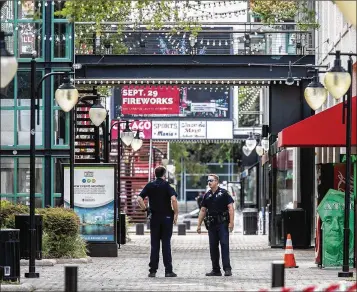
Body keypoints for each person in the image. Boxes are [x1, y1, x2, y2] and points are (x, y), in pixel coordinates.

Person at [137, 166, 179, 278]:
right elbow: (174, 199)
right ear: (164, 175)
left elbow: (139, 199)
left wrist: (145, 209)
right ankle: (168, 271)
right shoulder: (167, 186)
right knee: (166, 244)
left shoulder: (150, 185)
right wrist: (176, 213)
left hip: (154, 218)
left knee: (154, 245)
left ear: (155, 174)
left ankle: (152, 271)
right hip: (166, 218)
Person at [197, 174, 235, 277]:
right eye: (208, 180)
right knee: (213, 247)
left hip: (222, 224)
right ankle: (216, 270)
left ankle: (227, 269)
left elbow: (231, 208)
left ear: (217, 182)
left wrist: (231, 223)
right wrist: (199, 225)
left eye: (211, 180)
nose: (209, 182)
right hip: (212, 225)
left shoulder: (224, 193)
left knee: (224, 245)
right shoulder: (207, 195)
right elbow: (203, 210)